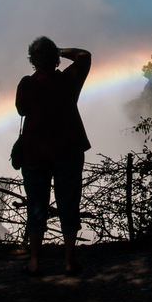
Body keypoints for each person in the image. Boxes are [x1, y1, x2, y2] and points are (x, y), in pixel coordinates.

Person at [15, 36, 91, 276]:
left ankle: (35, 262)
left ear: (32, 60)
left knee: (36, 207)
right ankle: (69, 262)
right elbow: (84, 56)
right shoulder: (68, 80)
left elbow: (21, 110)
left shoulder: (26, 84)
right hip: (68, 151)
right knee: (69, 204)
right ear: (56, 58)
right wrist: (59, 50)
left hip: (34, 154)